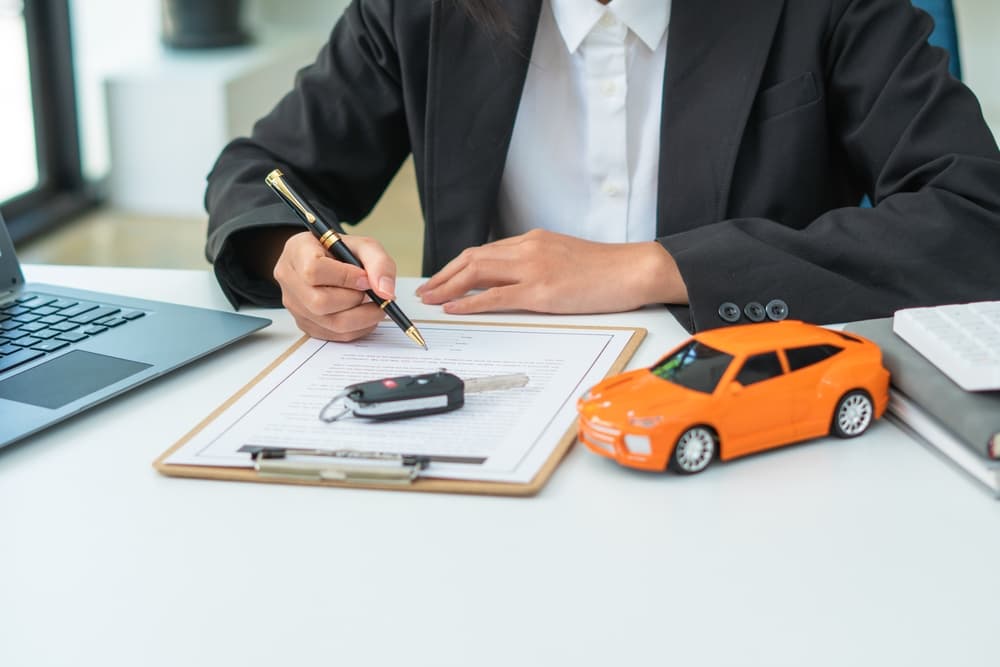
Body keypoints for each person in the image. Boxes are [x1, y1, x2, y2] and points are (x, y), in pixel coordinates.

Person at [204, 0, 1000, 341]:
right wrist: (292, 258)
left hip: (750, 423)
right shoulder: (424, 8)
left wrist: (653, 267)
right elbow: (262, 171)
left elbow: (973, 217)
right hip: (489, 421)